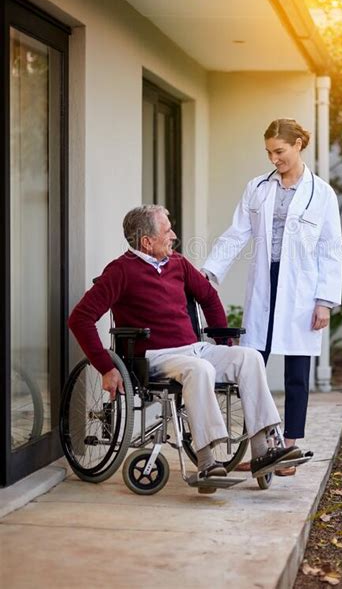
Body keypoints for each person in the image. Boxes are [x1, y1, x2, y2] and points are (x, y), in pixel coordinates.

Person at [68, 204, 300, 487]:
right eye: (167, 231)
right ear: (147, 241)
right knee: (200, 369)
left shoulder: (177, 263)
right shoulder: (121, 271)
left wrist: (223, 343)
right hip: (155, 356)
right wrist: (105, 366)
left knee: (248, 357)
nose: (174, 236)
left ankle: (264, 450)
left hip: (193, 349)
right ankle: (206, 461)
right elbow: (80, 319)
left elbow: (209, 298)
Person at [203, 118, 342, 476]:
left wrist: (325, 301)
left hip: (303, 289)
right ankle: (262, 447)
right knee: (253, 366)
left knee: (297, 373)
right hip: (265, 283)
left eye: (279, 151)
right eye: (268, 152)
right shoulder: (258, 188)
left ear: (298, 144)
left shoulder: (321, 193)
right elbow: (237, 234)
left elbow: (330, 249)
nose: (273, 158)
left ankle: (290, 451)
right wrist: (210, 273)